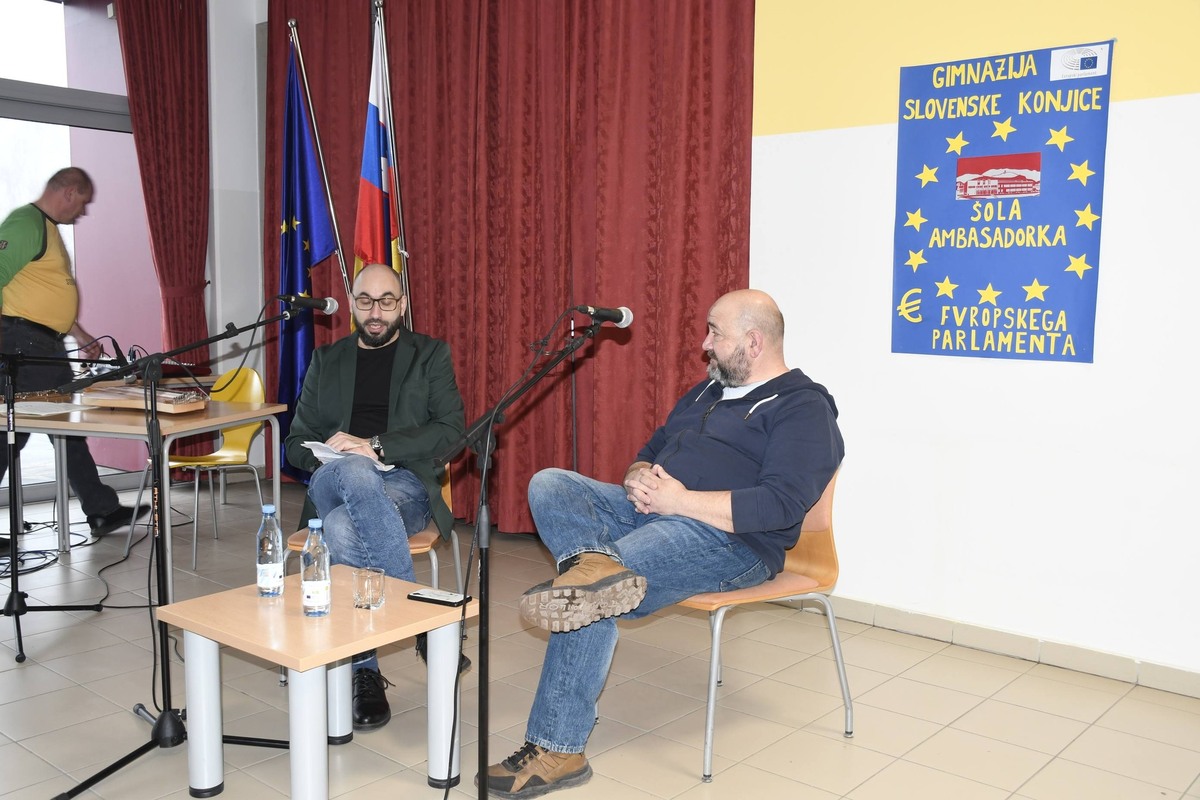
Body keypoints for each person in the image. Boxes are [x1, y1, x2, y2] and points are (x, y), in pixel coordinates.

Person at [481, 289, 845, 798]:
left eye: (715, 333)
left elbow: (781, 506)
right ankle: (594, 566)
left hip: (731, 543)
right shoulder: (706, 393)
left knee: (594, 593)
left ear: (753, 342)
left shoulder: (803, 408)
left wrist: (681, 501)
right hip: (652, 514)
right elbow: (649, 450)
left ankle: (557, 747)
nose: (704, 344)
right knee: (551, 485)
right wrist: (637, 476)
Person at [284, 262, 467, 732]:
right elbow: (294, 442)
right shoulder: (327, 360)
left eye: (387, 301)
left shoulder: (429, 355)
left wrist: (377, 446)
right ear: (351, 304)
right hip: (332, 478)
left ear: (402, 304)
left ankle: (363, 670)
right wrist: (334, 455)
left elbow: (451, 431)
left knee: (342, 527)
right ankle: (420, 621)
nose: (376, 312)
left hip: (403, 482)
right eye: (366, 301)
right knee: (354, 469)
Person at [0, 167, 149, 539]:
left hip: (45, 345)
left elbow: (46, 294)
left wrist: (79, 333)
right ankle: (101, 508)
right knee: (12, 433)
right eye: (82, 203)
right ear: (68, 192)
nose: (82, 212)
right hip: (24, 345)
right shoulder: (26, 223)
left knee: (63, 429)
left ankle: (101, 509)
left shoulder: (48, 228)